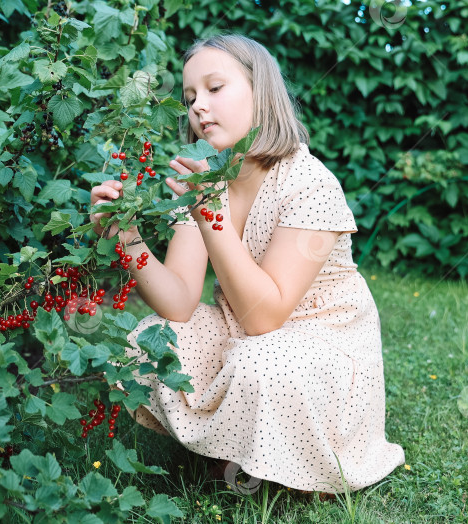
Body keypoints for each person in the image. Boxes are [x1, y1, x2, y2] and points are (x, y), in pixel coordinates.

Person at [89, 34, 405, 498]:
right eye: (190, 96)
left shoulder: (308, 181)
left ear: (262, 93)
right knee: (153, 339)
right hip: (248, 340)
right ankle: (240, 449)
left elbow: (265, 317)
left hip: (323, 346)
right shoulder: (206, 182)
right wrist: (126, 237)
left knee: (261, 361)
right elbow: (178, 301)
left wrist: (211, 213)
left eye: (215, 88)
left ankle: (306, 464)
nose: (198, 106)